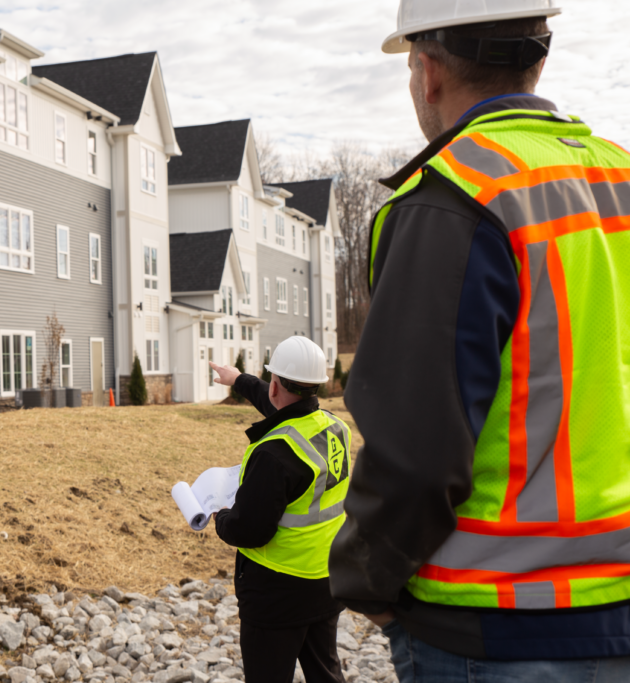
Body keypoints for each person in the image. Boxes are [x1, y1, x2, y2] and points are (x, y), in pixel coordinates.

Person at [329, 0, 630, 680]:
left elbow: (417, 450)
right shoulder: (620, 176)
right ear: (539, 56)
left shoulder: (452, 198)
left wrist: (366, 577)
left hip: (497, 620)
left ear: (427, 70)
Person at [209, 336, 351, 683]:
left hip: (277, 594)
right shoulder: (335, 429)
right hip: (325, 583)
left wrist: (221, 514)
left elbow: (249, 530)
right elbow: (281, 407)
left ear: (275, 385)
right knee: (325, 673)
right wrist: (239, 379)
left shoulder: (274, 454)